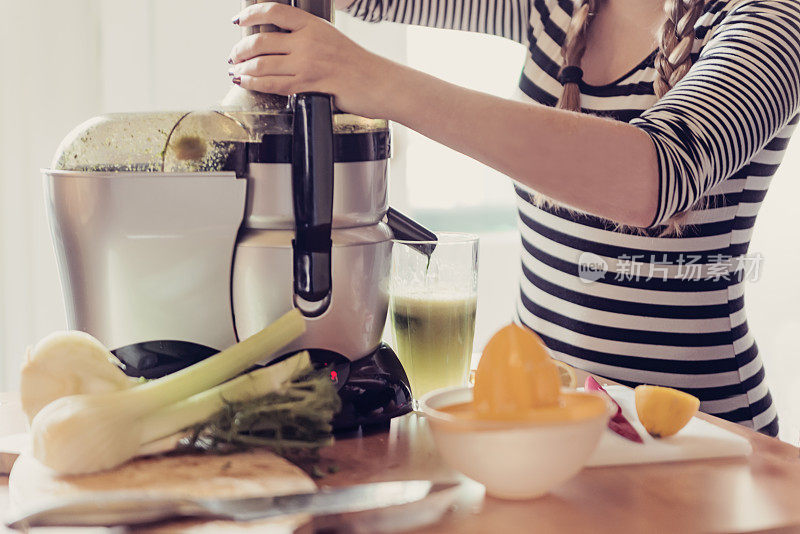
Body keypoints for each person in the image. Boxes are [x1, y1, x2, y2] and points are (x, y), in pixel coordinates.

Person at [227, 0, 800, 436]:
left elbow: (656, 175)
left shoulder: (773, 18)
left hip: (699, 434)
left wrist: (376, 82)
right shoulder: (555, 8)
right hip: (541, 418)